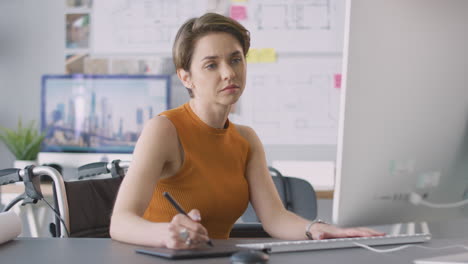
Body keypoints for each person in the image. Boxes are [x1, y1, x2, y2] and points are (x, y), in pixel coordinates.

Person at [109, 12, 384, 249]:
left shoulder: (245, 139)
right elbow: (120, 222)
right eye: (211, 65)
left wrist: (318, 229)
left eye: (236, 59)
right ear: (186, 77)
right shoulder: (164, 130)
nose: (229, 73)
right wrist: (165, 234)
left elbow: (275, 217)